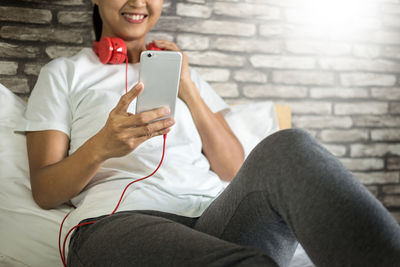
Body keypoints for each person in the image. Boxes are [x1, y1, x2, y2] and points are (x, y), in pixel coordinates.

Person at [21, 0, 400, 266]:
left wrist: (189, 89)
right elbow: (45, 190)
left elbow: (234, 167)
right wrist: (101, 147)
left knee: (289, 146)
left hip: (213, 216)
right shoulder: (64, 74)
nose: (137, 2)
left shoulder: (188, 75)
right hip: (120, 221)